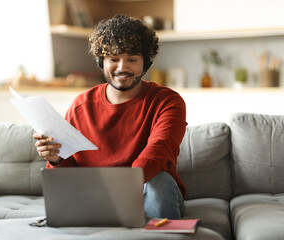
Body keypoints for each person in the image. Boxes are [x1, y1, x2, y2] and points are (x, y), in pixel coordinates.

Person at [33, 14, 187, 219]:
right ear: (101, 61)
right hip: (95, 196)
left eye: (131, 59)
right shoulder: (81, 106)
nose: (122, 67)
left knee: (159, 181)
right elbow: (67, 175)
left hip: (148, 192)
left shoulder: (167, 102)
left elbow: (157, 154)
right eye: (113, 59)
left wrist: (116, 193)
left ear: (146, 63)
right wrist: (56, 158)